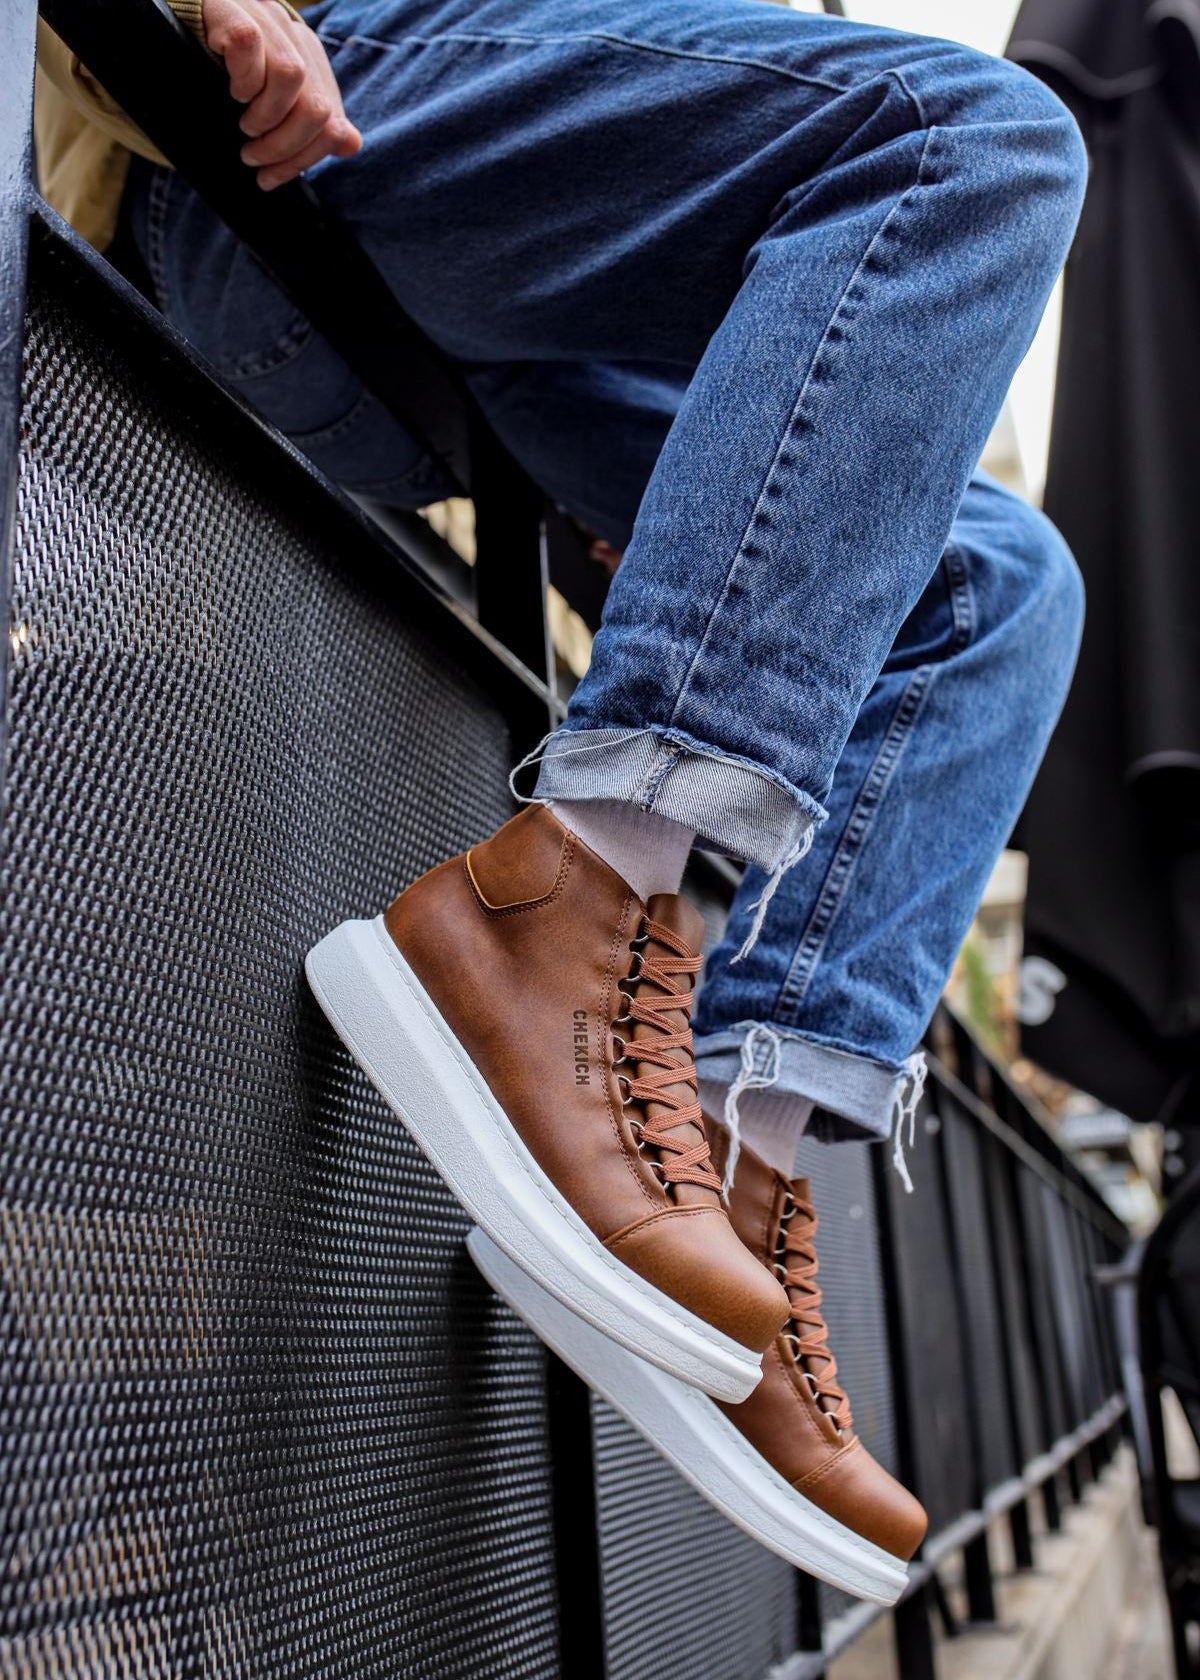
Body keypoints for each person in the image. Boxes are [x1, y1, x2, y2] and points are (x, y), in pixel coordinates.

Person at [37, 0, 1088, 1599]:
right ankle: (572, 887)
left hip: (485, 272)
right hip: (247, 145)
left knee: (1010, 582)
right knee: (977, 140)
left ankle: (745, 1153)